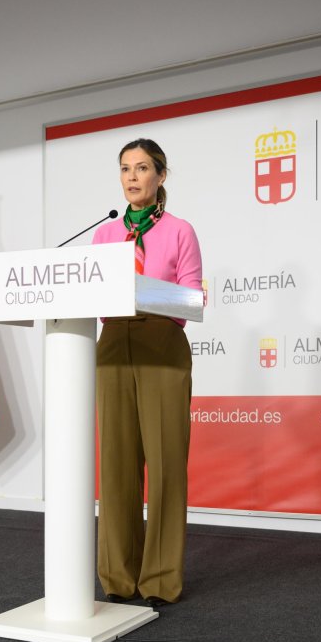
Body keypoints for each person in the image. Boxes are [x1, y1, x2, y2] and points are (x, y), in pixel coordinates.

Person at [93, 138, 202, 608]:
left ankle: (159, 578)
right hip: (114, 344)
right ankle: (118, 576)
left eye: (141, 168)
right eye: (125, 169)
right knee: (116, 465)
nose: (132, 177)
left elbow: (194, 298)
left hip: (162, 345)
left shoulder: (180, 230)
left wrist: (143, 293)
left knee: (164, 467)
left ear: (160, 175)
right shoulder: (105, 233)